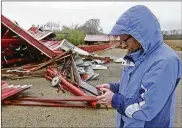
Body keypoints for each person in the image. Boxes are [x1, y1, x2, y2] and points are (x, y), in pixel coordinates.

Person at [96, 5, 182, 128]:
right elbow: (133, 87)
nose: (124, 45)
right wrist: (113, 87)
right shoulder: (139, 55)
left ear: (139, 35)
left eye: (125, 40)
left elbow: (146, 108)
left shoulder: (165, 61)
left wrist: (114, 99)